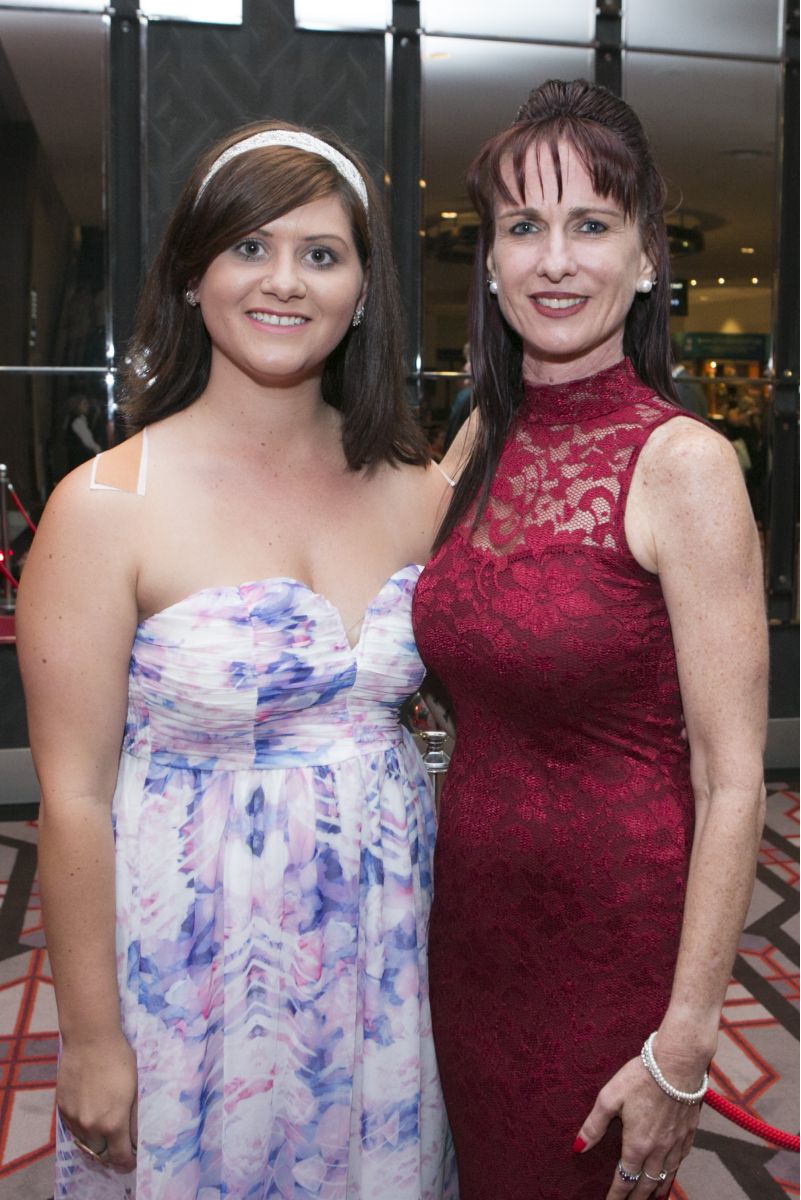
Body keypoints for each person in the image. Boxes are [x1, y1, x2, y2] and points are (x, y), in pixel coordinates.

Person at [16, 120, 459, 1199]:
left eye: (322, 253)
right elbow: (72, 798)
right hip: (190, 967)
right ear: (191, 274)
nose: (285, 281)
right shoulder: (106, 504)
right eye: (249, 247)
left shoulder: (419, 490)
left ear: (363, 290)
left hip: (387, 956)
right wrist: (92, 1037)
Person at [412, 79, 767, 1199]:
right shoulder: (479, 439)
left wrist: (685, 1043)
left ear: (647, 257)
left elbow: (732, 779)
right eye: (524, 226)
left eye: (591, 225)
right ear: (491, 261)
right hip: (466, 933)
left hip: (610, 952)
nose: (555, 260)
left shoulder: (685, 465)